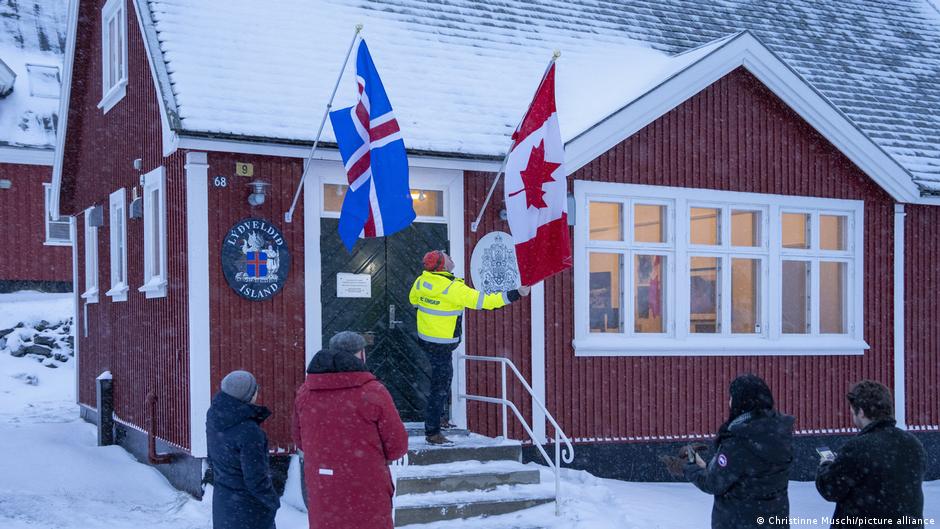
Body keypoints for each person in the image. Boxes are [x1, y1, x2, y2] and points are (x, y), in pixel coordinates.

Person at [409, 250, 530, 445]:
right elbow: (487, 302)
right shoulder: (453, 289)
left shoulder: (421, 281)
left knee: (439, 383)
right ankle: (432, 432)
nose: (449, 255)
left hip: (426, 341)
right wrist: (516, 293)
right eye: (446, 255)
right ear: (443, 265)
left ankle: (438, 418)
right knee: (440, 386)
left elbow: (414, 301)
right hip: (442, 345)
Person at [292, 331, 409, 529]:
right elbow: (397, 445)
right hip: (367, 487)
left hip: (324, 487)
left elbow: (300, 439)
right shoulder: (372, 392)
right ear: (361, 354)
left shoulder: (306, 392)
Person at [662, 374, 794, 529]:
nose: (729, 402)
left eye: (731, 397)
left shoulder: (740, 440)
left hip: (739, 522)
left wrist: (686, 468)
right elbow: (747, 475)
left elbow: (713, 483)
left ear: (741, 401)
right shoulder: (779, 433)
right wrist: (703, 465)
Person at [815, 380, 926, 529]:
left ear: (860, 412)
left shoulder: (857, 447)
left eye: (852, 411)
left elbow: (831, 489)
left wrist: (826, 464)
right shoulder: (913, 443)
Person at [206, 370, 280, 529]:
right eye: (255, 389)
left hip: (223, 503)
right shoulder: (249, 431)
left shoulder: (214, 416)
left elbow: (212, 458)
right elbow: (256, 479)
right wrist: (272, 501)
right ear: (249, 396)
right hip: (249, 511)